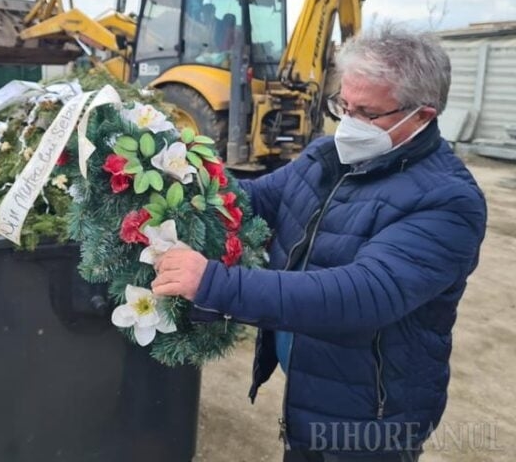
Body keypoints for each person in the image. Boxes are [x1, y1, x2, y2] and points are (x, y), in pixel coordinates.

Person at [151, 24, 487, 461]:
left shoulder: (447, 200)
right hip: (315, 382)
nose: (349, 123)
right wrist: (178, 177)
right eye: (343, 106)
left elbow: (364, 293)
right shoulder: (327, 156)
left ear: (422, 116)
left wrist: (214, 283)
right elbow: (253, 200)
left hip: (373, 413)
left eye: (367, 113)